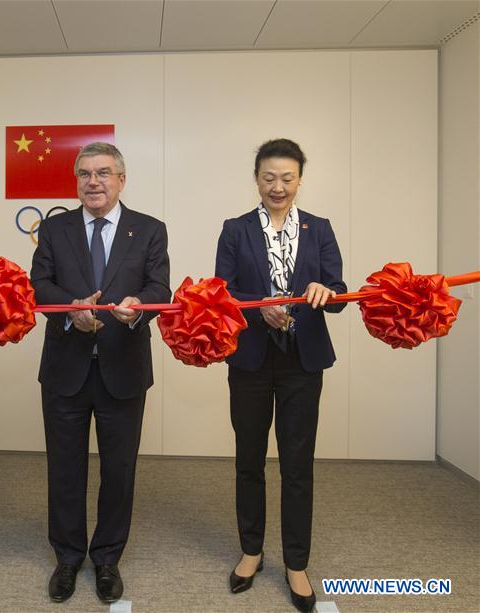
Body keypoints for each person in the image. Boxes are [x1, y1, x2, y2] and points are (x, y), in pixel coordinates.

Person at [30, 142, 170, 604]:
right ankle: (68, 558)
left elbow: (158, 287)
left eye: (104, 173)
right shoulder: (54, 229)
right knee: (64, 469)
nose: (94, 181)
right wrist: (70, 312)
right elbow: (40, 286)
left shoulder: (149, 229)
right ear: (77, 182)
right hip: (65, 368)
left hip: (123, 367)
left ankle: (107, 557)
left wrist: (137, 312)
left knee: (119, 469)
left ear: (121, 180)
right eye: (85, 174)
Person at [215, 138, 346, 612]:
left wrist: (324, 288)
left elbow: (339, 285)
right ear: (256, 179)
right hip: (249, 359)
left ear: (299, 180)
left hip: (302, 361)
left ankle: (296, 563)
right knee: (249, 459)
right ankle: (252, 551)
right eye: (269, 177)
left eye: (287, 178)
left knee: (297, 464)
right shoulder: (235, 229)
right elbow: (222, 292)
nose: (278, 186)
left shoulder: (320, 229)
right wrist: (259, 311)